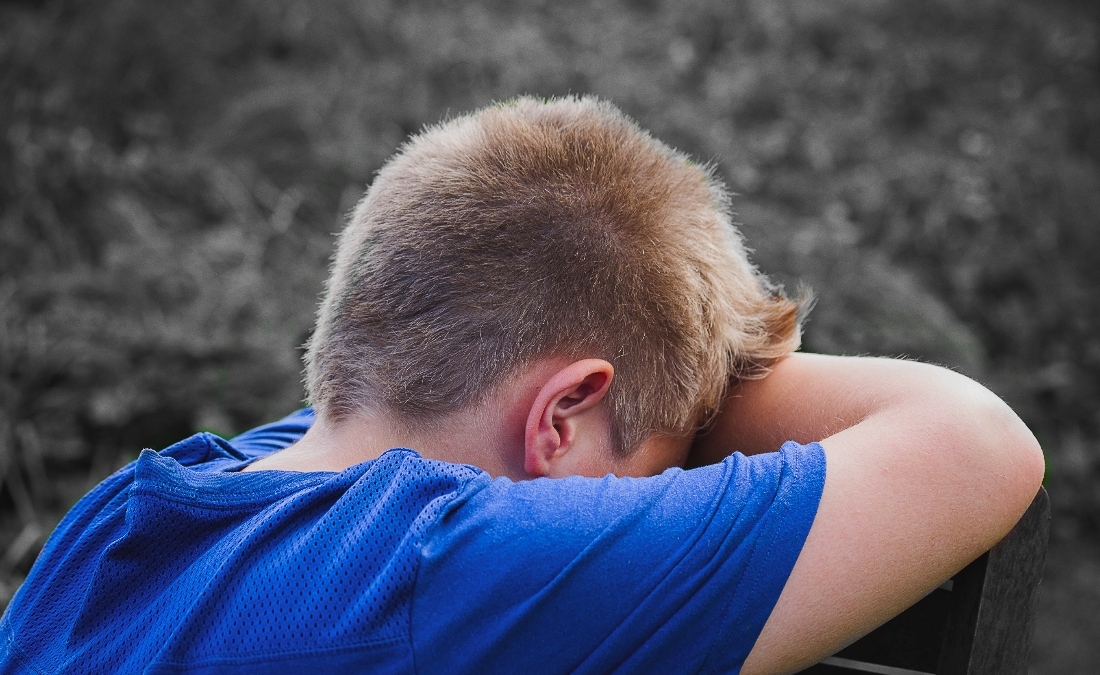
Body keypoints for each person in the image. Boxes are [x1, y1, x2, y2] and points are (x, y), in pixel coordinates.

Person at [0, 97, 1043, 675]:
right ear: (559, 418)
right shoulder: (445, 568)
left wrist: (659, 383)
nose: (641, 503)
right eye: (653, 474)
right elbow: (972, 442)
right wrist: (697, 378)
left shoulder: (126, 518)